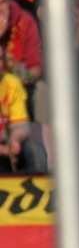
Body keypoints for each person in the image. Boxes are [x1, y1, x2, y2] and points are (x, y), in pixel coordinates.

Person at [0, 0, 42, 117]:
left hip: (20, 81)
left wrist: (21, 74)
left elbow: (35, 70)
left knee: (43, 92)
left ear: (10, 2)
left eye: (2, 3)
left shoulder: (26, 21)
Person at [0, 43, 42, 173]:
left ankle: (39, 184)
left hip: (6, 140)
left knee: (35, 151)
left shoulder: (12, 83)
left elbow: (21, 125)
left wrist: (14, 141)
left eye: (0, 59)